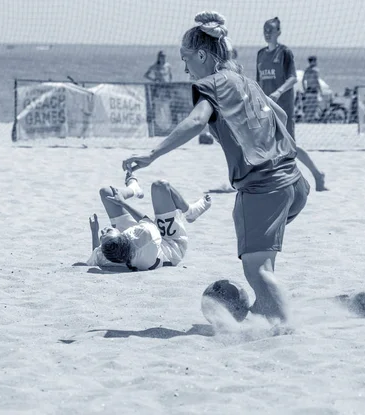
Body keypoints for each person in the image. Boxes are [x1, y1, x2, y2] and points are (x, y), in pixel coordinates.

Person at [122, 11, 310, 324]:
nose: (184, 67)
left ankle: (287, 330)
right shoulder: (245, 81)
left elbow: (196, 121)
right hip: (294, 182)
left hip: (265, 186)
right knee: (255, 250)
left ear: (202, 54)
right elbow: (283, 117)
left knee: (257, 270)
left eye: (185, 58)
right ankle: (279, 308)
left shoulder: (212, 83)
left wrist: (151, 156)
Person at [85, 172, 212, 271]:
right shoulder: (144, 235)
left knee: (106, 192)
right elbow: (147, 222)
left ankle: (134, 189)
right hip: (171, 244)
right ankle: (190, 212)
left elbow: (95, 255)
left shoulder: (109, 256)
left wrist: (94, 232)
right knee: (160, 186)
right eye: (107, 232)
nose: (104, 230)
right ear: (123, 236)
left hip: (141, 246)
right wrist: (123, 203)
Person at [256, 18, 327, 192]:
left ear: (278, 32)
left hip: (283, 107)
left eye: (270, 30)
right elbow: (258, 81)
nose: (267, 33)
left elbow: (293, 78)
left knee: (289, 146)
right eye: (265, 29)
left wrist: (279, 92)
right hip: (266, 106)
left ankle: (317, 174)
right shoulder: (260, 54)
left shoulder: (285, 52)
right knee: (266, 144)